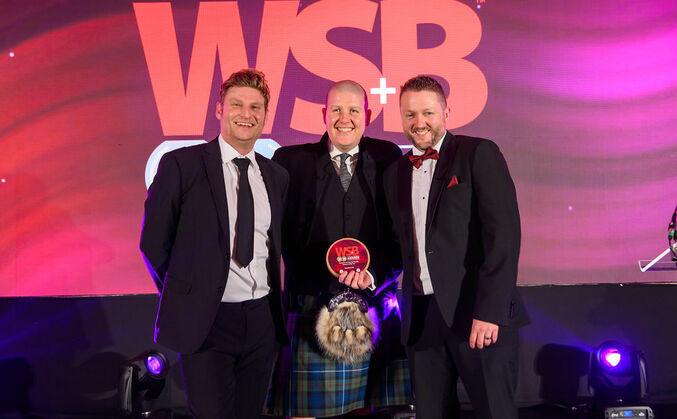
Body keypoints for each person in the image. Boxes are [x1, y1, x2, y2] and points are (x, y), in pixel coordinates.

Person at [140, 69, 289, 418]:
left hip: (262, 319)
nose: (246, 114)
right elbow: (153, 243)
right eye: (236, 104)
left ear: (266, 114)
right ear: (219, 109)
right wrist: (188, 294)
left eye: (256, 107)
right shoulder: (182, 165)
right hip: (207, 320)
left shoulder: (276, 176)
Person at [383, 75, 530, 419]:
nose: (419, 123)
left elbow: (504, 236)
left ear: (447, 111)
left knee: (495, 411)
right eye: (410, 115)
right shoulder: (395, 173)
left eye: (428, 113)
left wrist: (490, 311)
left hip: (476, 313)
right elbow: (398, 243)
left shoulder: (479, 152)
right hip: (422, 318)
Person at [268, 80, 409, 418]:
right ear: (323, 114)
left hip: (374, 303)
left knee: (371, 406)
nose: (344, 118)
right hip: (310, 303)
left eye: (354, 110)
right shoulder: (289, 161)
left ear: (368, 115)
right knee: (304, 412)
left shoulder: (388, 157)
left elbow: (403, 232)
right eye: (336, 110)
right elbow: (278, 237)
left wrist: (373, 275)